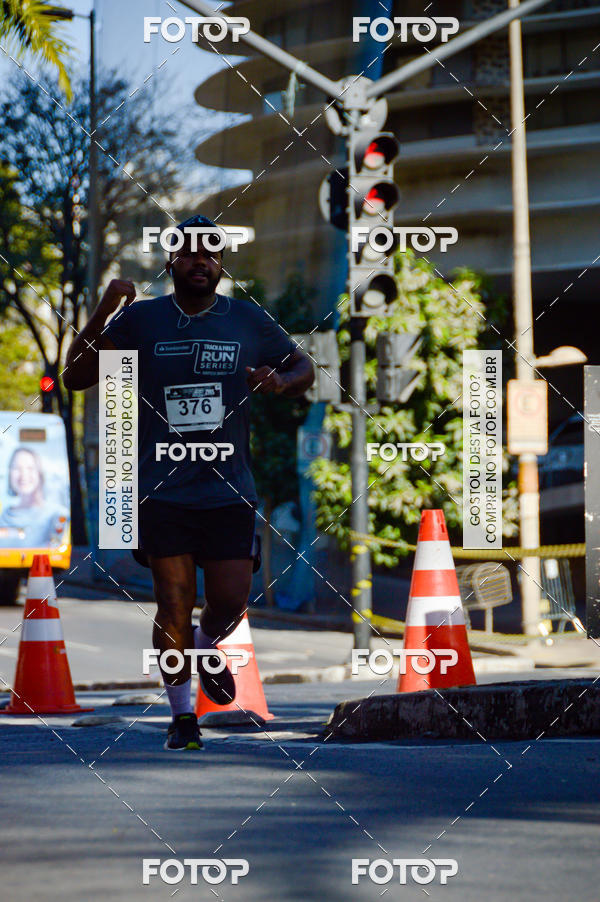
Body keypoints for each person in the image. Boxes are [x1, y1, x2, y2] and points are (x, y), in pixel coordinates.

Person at [63, 215, 314, 750]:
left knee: (229, 602)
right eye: (190, 253)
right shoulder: (142, 321)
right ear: (171, 261)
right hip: (162, 489)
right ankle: (182, 720)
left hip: (228, 490)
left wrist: (281, 381)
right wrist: (106, 308)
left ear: (222, 265)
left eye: (212, 253)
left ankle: (203, 646)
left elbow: (302, 365)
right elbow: (77, 376)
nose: (202, 261)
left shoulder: (247, 320)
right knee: (172, 601)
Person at [0, 447, 68, 548]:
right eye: (16, 468)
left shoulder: (58, 515)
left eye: (30, 468)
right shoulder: (3, 516)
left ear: (39, 474)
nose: (23, 474)